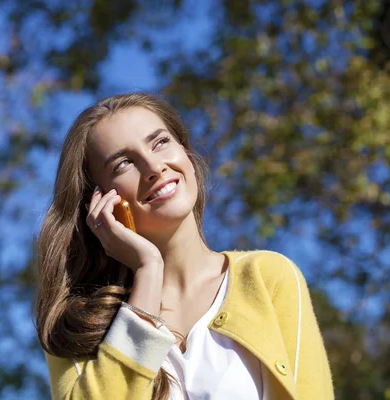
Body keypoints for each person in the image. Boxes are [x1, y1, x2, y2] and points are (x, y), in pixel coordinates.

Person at [34, 93, 333, 399]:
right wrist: (149, 270)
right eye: (123, 163)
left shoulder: (268, 278)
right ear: (97, 203)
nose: (153, 166)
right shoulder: (78, 328)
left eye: (160, 142)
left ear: (186, 153)